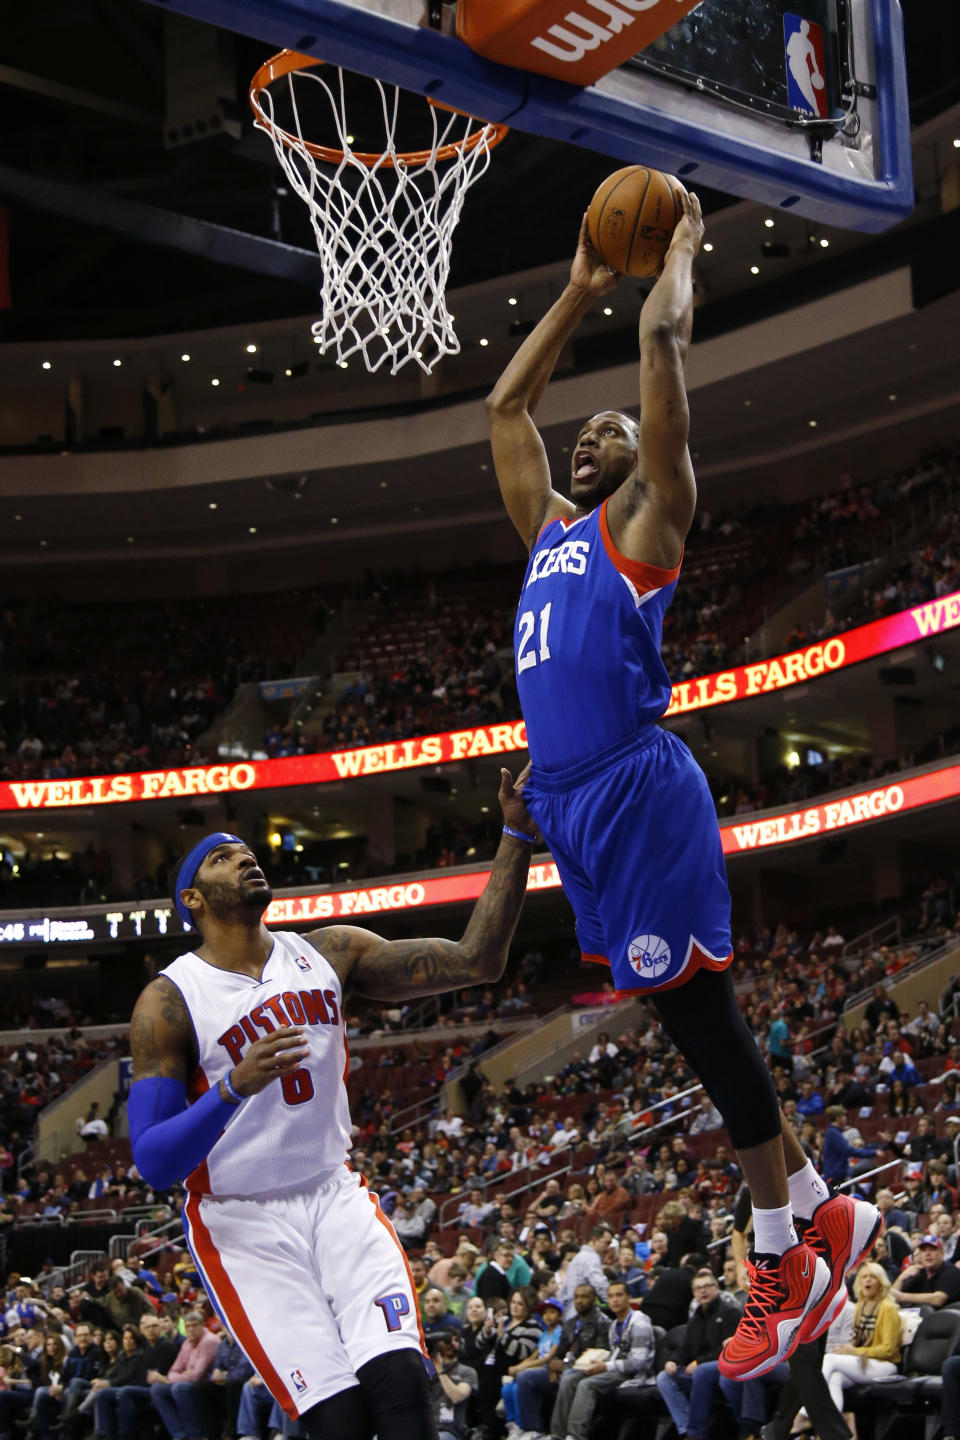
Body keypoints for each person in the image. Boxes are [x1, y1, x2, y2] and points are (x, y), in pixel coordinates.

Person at [486, 187, 880, 1380]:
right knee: (680, 1013)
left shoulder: (649, 517)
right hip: (570, 807)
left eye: (606, 431)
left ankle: (784, 1262)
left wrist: (682, 250)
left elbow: (662, 345)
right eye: (585, 436)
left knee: (702, 1017)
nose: (587, 439)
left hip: (635, 789)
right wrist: (574, 291)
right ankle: (822, 1205)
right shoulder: (549, 532)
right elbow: (506, 406)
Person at [128, 781, 535, 1440]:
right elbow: (152, 1161)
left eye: (245, 850)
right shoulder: (169, 1000)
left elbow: (478, 961)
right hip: (243, 1225)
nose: (246, 858)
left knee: (405, 1390)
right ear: (192, 900)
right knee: (339, 1420)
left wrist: (516, 834)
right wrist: (234, 1085)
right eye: (222, 858)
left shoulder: (329, 952)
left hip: (334, 1194)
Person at [548, 1279, 655, 1440]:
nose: (614, 1300)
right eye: (611, 1296)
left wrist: (606, 1366)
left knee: (586, 1384)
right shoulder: (614, 1326)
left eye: (619, 1295)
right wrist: (596, 1359)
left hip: (634, 1375)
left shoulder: (639, 1322)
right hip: (614, 1369)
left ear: (628, 1297)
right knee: (569, 1377)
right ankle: (557, 1435)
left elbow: (638, 1363)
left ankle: (575, 1436)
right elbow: (613, 1354)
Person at [655, 1269, 741, 1438]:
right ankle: (686, 1428)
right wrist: (673, 1361)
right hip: (698, 1371)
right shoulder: (696, 1317)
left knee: (702, 1371)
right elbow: (685, 1346)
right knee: (664, 1378)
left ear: (716, 1288)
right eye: (698, 1288)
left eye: (707, 1286)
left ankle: (696, 1432)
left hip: (724, 1368)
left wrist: (698, 1363)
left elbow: (729, 1348)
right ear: (693, 1293)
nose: (703, 1291)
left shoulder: (730, 1313)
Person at [821, 1263, 900, 1438]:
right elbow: (855, 1342)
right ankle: (834, 1430)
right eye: (864, 1277)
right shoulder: (860, 1306)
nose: (868, 1280)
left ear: (881, 1282)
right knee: (835, 1377)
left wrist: (855, 1352)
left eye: (872, 1277)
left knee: (830, 1360)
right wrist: (847, 1349)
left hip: (886, 1366)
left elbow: (888, 1350)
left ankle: (805, 1412)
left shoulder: (888, 1308)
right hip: (866, 1361)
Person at [890, 1232, 960, 1308]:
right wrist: (901, 1278)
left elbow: (938, 1299)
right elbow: (891, 1297)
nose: (928, 1254)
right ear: (919, 1254)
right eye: (924, 1250)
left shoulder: (951, 1271)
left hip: (946, 1318)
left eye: (932, 1249)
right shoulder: (918, 1272)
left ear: (942, 1253)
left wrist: (902, 1297)